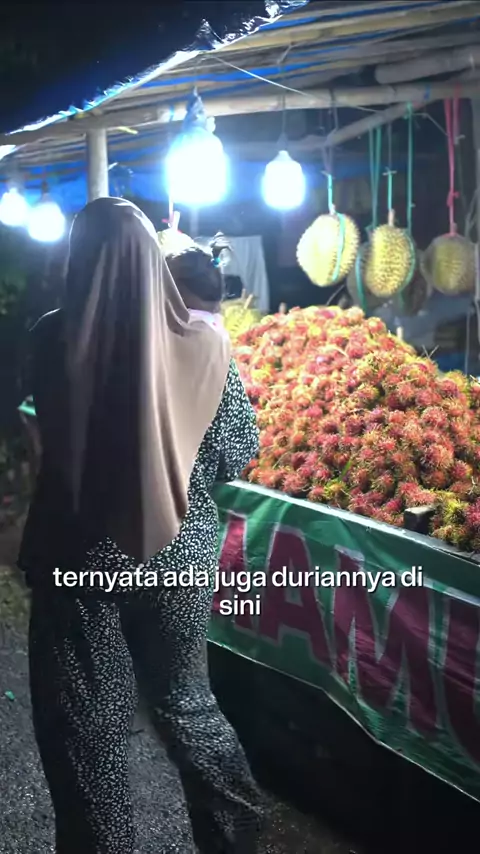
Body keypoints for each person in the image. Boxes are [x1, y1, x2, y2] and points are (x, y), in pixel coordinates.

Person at [18, 197, 264, 854]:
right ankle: (236, 838)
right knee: (187, 703)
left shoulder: (52, 335)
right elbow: (236, 450)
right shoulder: (208, 343)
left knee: (88, 730)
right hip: (180, 555)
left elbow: (51, 432)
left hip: (80, 558)